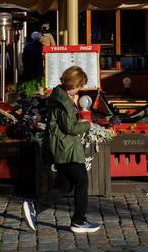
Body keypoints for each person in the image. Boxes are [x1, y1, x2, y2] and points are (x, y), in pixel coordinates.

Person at [22, 66, 100, 234]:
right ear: (73, 84)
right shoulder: (64, 103)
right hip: (67, 149)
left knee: (65, 185)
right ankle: (79, 220)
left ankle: (35, 207)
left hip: (62, 147)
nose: (80, 89)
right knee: (82, 181)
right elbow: (70, 128)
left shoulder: (60, 97)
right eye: (79, 85)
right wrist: (88, 125)